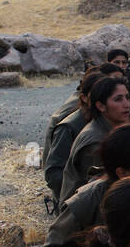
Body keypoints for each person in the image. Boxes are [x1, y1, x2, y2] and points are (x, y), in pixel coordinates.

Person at [59, 76, 130, 203]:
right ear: (101, 106)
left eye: (127, 97)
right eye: (118, 99)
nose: (126, 104)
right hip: (86, 210)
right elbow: (100, 188)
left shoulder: (115, 126)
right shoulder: (95, 142)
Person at [45, 70, 105, 205]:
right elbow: (53, 174)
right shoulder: (69, 127)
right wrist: (78, 196)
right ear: (84, 97)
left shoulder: (106, 121)